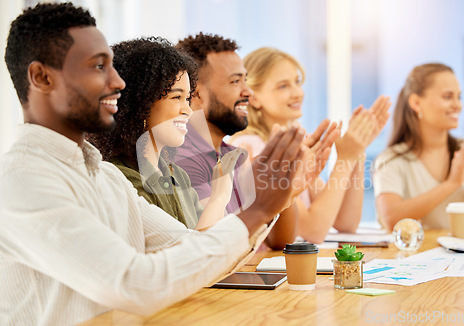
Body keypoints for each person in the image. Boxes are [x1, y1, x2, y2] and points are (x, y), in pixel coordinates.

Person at [0, 3, 306, 325]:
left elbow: (197, 250)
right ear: (41, 78)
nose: (118, 82)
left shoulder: (106, 178)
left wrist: (270, 203)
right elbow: (136, 283)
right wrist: (257, 211)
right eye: (97, 66)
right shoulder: (22, 180)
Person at [175, 34, 339, 249]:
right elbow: (213, 250)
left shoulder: (233, 155)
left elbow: (281, 241)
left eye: (245, 80)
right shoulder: (185, 159)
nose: (247, 92)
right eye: (235, 81)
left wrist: (287, 188)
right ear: (195, 94)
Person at [230, 47, 391, 243]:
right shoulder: (250, 147)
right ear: (253, 97)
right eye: (283, 86)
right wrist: (346, 158)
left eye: (297, 82)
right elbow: (313, 231)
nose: (297, 93)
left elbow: (344, 221)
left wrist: (356, 150)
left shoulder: (294, 146)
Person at [88, 37, 243, 231]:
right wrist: (218, 199)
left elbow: (219, 245)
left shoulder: (177, 175)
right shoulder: (121, 180)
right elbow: (194, 255)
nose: (187, 110)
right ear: (141, 105)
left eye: (187, 98)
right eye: (176, 97)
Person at [373, 63, 464, 230]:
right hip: (418, 254)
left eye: (458, 97)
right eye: (447, 97)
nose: (458, 105)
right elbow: (391, 218)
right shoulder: (391, 159)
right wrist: (451, 184)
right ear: (417, 103)